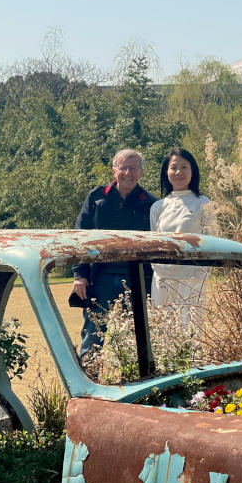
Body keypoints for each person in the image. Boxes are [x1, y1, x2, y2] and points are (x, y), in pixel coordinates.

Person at [72, 148, 157, 357]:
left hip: (138, 280)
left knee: (134, 341)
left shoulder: (151, 203)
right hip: (99, 280)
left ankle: (130, 385)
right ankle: (89, 383)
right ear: (114, 170)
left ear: (141, 172)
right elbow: (79, 237)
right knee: (93, 338)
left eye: (134, 168)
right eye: (123, 168)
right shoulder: (96, 198)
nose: (128, 173)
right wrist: (80, 275)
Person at [149, 148, 217, 322]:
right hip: (163, 278)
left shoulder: (203, 203)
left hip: (191, 279)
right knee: (164, 331)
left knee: (191, 331)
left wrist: (200, 276)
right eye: (173, 167)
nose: (178, 172)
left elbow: (213, 242)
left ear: (192, 171)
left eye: (184, 167)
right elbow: (153, 243)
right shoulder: (157, 207)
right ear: (166, 172)